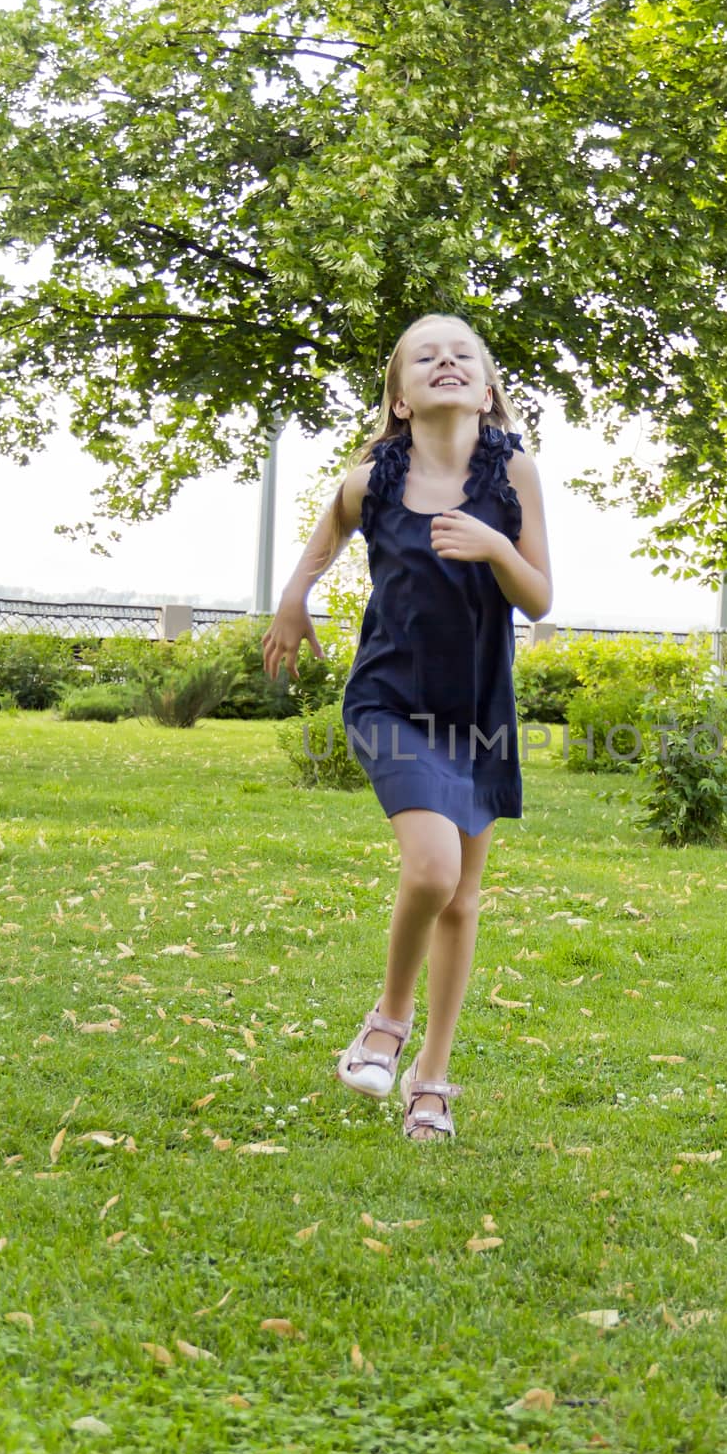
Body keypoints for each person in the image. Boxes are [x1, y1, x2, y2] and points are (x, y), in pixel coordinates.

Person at [261, 313, 553, 1141]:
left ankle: (433, 1080)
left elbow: (538, 597)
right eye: (425, 355)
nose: (446, 361)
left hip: (479, 712)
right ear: (398, 396)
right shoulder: (374, 479)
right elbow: (327, 531)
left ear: (488, 388)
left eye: (463, 353)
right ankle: (386, 1021)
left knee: (462, 901)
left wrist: (496, 546)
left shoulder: (512, 472)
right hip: (388, 701)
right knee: (431, 870)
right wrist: (293, 598)